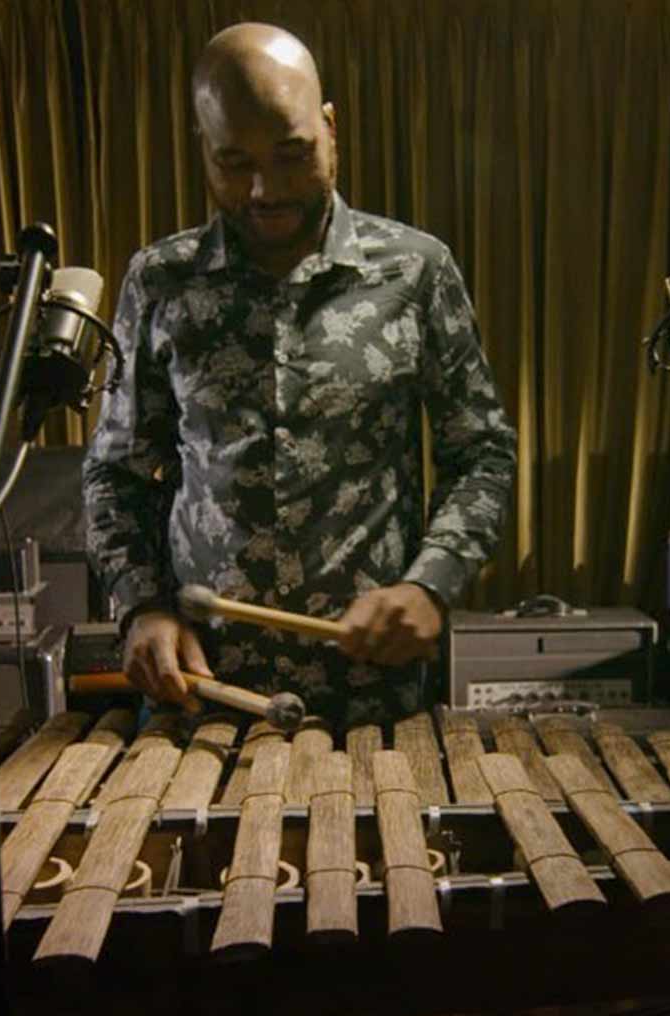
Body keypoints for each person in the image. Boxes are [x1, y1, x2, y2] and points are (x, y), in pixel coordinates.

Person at [82, 22, 516, 725]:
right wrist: (142, 607)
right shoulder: (160, 280)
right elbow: (115, 474)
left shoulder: (415, 271)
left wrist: (431, 585)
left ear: (331, 128)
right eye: (234, 162)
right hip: (204, 696)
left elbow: (484, 453)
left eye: (291, 155)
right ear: (203, 148)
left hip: (373, 701)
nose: (265, 190)